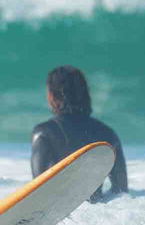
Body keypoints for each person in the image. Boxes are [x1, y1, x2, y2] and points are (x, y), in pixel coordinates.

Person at [30, 65, 128, 201]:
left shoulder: (43, 133)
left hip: (57, 215)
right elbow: (121, 191)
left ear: (53, 94)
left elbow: (37, 192)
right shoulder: (108, 133)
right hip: (96, 215)